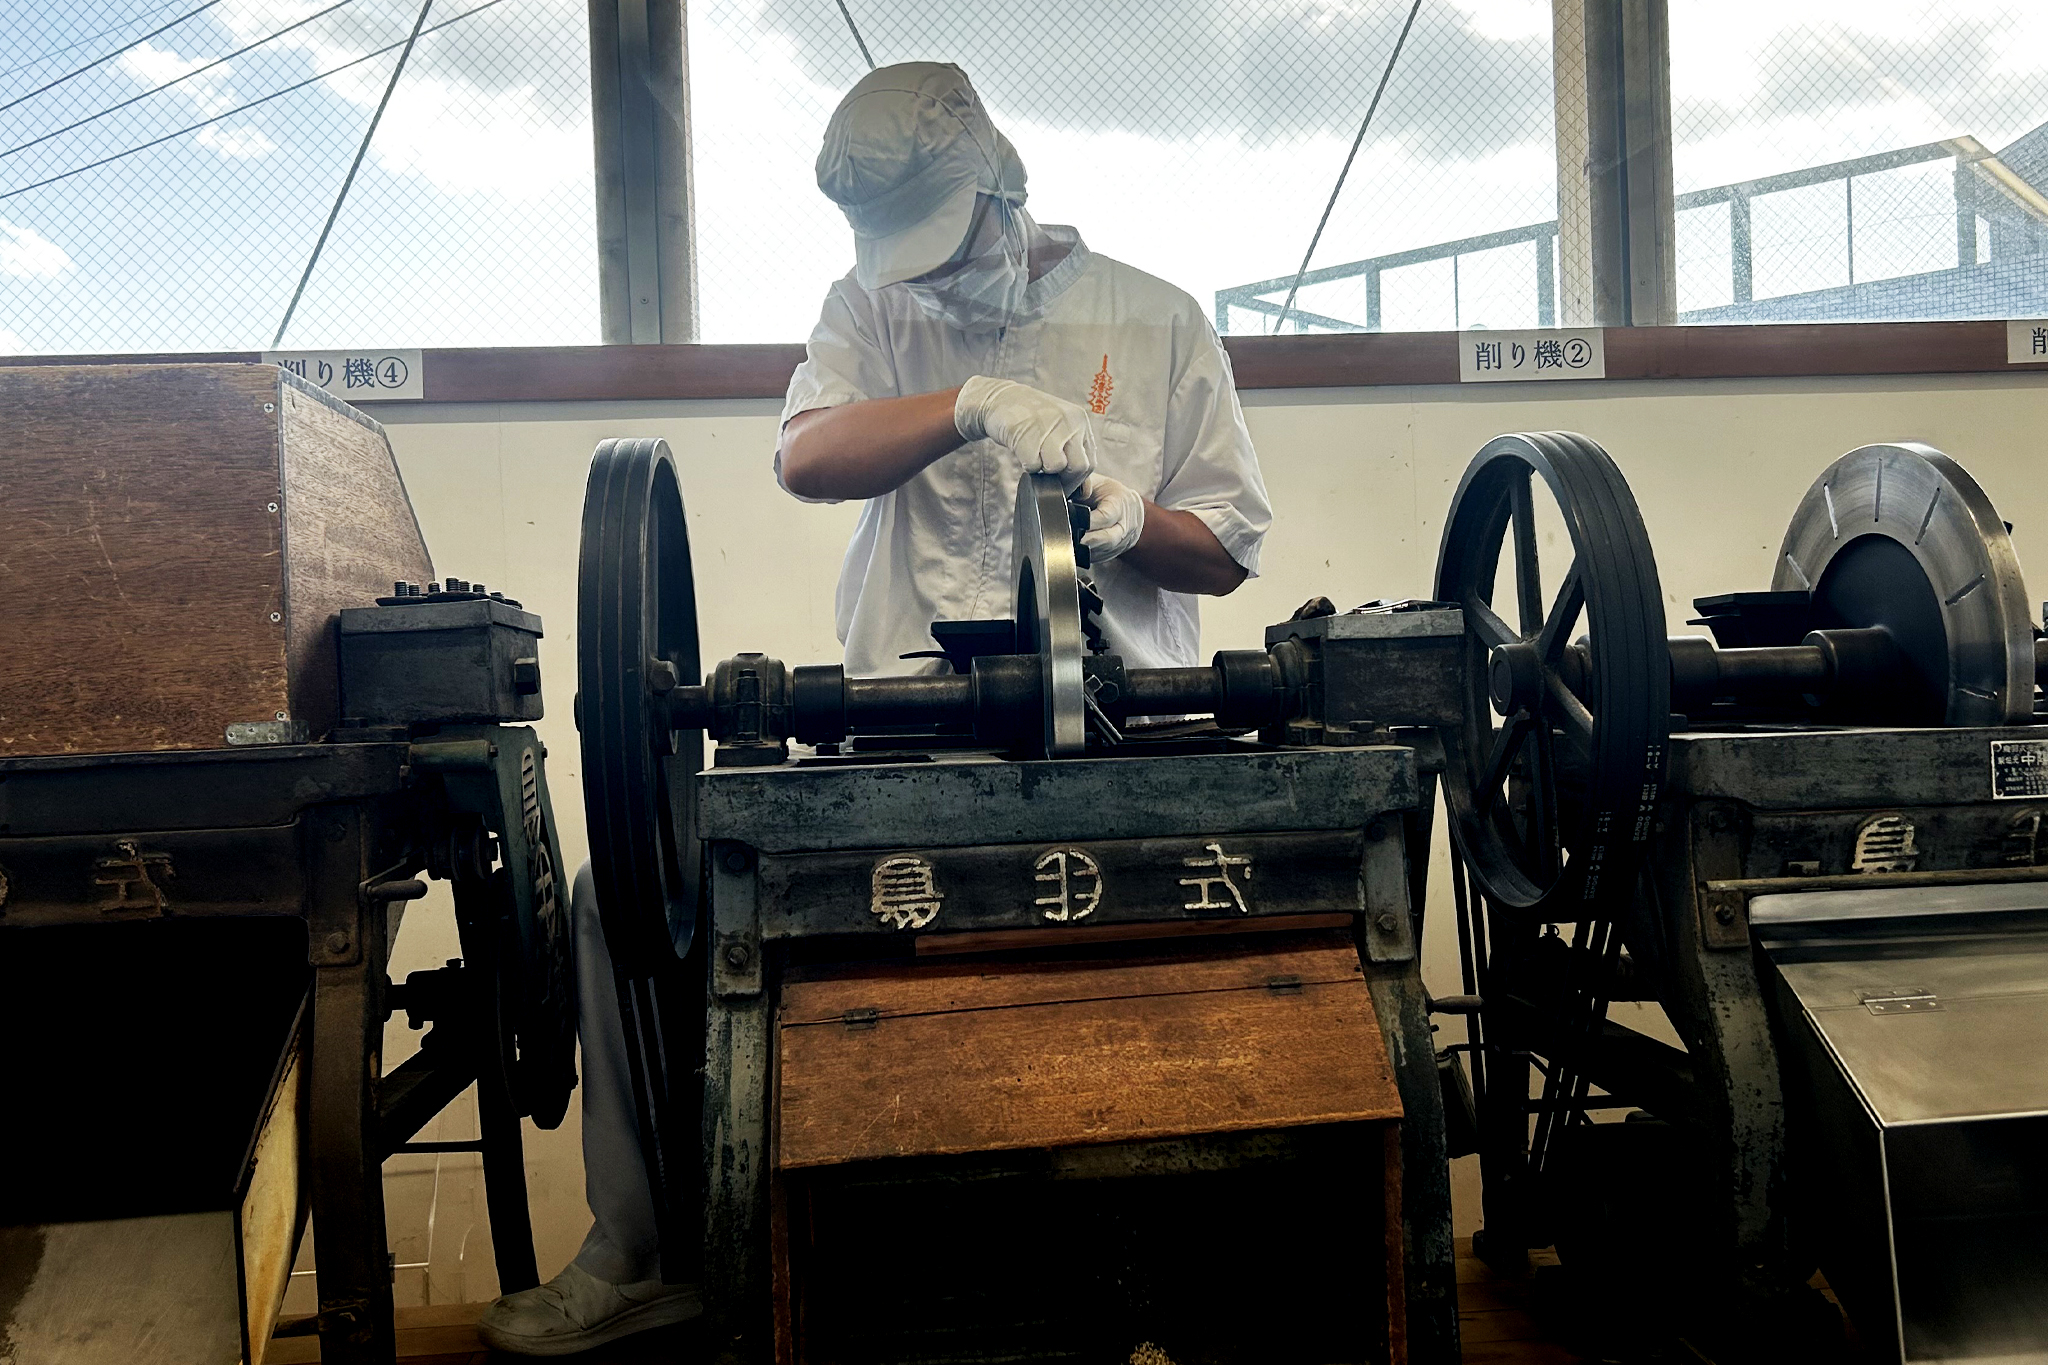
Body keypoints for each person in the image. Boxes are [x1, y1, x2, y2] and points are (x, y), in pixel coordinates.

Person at [479, 60, 1270, 1356]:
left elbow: (1228, 549)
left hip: (1122, 741)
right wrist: (964, 407)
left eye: (946, 251)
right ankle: (642, 1245)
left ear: (1004, 191)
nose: (933, 284)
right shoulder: (870, 305)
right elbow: (805, 454)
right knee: (618, 894)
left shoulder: (1160, 319)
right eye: (911, 262)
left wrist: (1134, 522)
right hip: (900, 728)